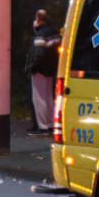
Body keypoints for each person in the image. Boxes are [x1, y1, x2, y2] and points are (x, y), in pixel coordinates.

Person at [25, 8, 62, 136]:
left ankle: (42, 126)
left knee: (39, 98)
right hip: (51, 69)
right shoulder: (54, 33)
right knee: (49, 97)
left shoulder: (40, 35)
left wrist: (32, 67)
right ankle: (51, 124)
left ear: (39, 19)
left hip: (39, 70)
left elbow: (38, 54)